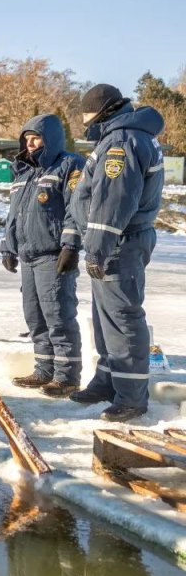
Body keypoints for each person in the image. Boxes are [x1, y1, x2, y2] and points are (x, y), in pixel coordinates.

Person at [68, 84, 165, 422]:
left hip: (119, 242)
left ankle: (131, 397)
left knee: (122, 317)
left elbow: (113, 202)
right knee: (105, 316)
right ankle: (108, 381)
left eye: (88, 117)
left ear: (103, 113)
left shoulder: (122, 141)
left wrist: (97, 248)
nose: (86, 124)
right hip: (117, 241)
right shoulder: (124, 135)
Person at [1, 114, 86, 397]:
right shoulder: (23, 172)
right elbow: (14, 215)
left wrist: (70, 246)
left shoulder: (69, 165)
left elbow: (77, 209)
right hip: (28, 256)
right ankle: (44, 370)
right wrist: (7, 247)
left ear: (50, 139)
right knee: (35, 317)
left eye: (36, 138)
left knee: (58, 315)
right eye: (27, 138)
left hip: (53, 254)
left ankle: (66, 377)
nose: (30, 143)